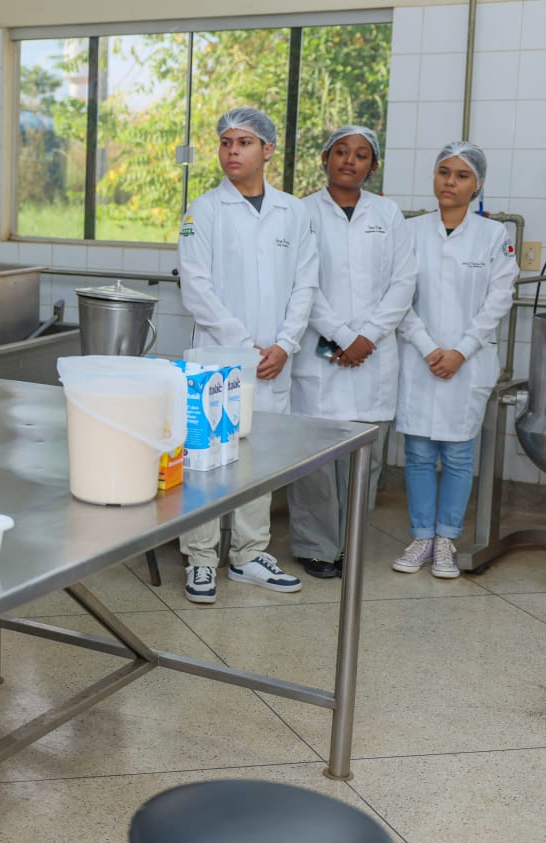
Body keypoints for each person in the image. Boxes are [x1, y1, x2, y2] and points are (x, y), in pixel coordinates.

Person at [176, 107, 318, 605]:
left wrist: (284, 344)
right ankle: (200, 558)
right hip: (218, 356)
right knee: (207, 458)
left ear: (268, 151)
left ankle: (249, 554)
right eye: (225, 142)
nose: (232, 151)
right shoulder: (203, 210)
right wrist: (245, 345)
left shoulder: (293, 212)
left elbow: (306, 284)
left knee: (257, 458)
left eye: (244, 142)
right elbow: (196, 289)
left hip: (274, 360)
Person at [288, 126, 416, 579]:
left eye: (361, 155)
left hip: (373, 354)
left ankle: (352, 544)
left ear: (373, 166)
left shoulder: (390, 213)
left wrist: (368, 337)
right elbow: (303, 283)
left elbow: (403, 283)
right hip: (321, 349)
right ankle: (317, 546)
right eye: (340, 152)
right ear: (325, 158)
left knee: (366, 457)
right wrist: (342, 336)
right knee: (315, 460)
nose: (350, 160)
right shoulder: (301, 212)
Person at [392, 141, 516, 579]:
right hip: (420, 359)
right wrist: (429, 347)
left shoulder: (494, 236)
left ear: (477, 184)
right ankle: (422, 536)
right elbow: (397, 298)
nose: (450, 182)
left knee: (460, 456)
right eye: (444, 172)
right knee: (420, 453)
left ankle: (446, 539)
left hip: (469, 361)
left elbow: (499, 300)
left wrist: (461, 349)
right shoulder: (410, 232)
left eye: (462, 175)